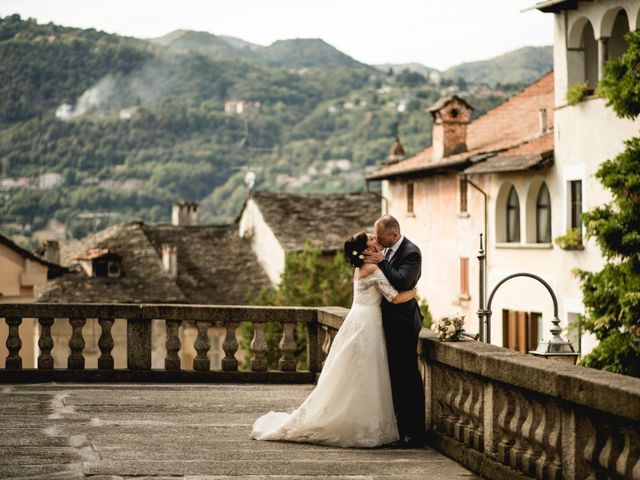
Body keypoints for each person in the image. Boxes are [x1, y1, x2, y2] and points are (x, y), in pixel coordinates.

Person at [251, 231, 417, 448]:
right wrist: (414, 291)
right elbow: (394, 297)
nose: (376, 239)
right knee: (366, 372)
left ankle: (356, 418)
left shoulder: (359, 269)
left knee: (355, 372)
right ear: (367, 250)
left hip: (357, 318)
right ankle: (362, 424)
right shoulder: (373, 268)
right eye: (372, 239)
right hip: (367, 322)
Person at [364, 215, 426, 447]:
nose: (377, 241)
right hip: (386, 324)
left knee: (407, 377)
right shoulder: (386, 250)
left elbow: (402, 282)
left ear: (395, 235)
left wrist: (381, 261)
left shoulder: (412, 253)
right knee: (394, 379)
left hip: (404, 324)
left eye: (380, 238)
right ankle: (400, 428)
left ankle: (415, 432)